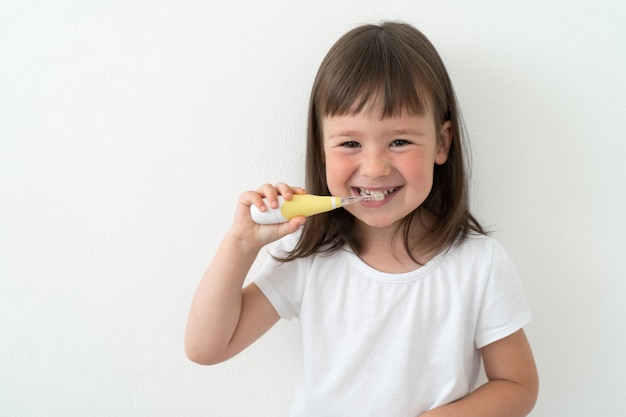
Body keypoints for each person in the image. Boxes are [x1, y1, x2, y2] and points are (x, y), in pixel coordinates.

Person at [185, 21, 538, 417]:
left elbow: (517, 385)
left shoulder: (479, 263)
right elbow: (206, 348)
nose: (373, 168)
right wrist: (240, 244)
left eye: (399, 141)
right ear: (321, 148)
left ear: (441, 143)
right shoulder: (308, 254)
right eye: (350, 143)